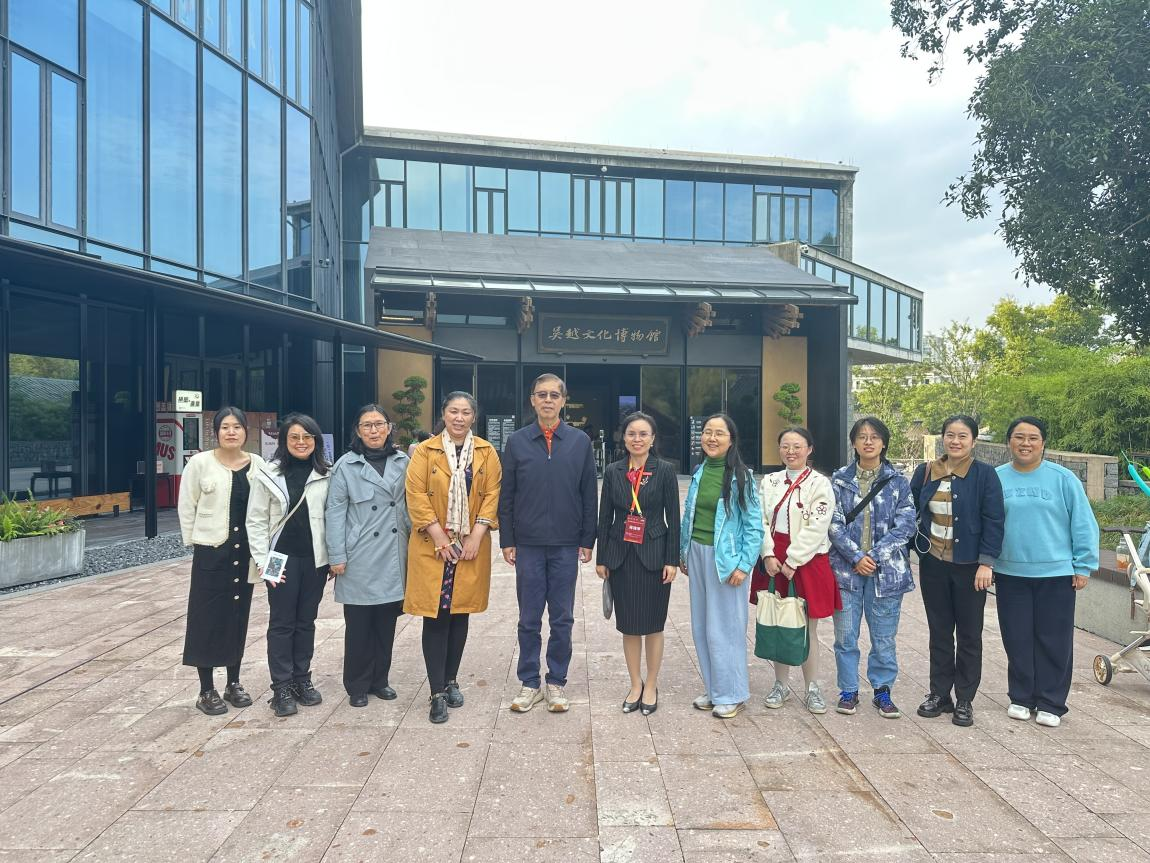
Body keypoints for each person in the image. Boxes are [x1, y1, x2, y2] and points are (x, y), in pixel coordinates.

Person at [498, 373, 597, 714]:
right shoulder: (518, 441)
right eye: (542, 394)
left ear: (564, 401)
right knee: (528, 618)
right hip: (528, 544)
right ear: (532, 400)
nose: (548, 400)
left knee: (562, 618)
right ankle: (529, 682)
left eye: (555, 395)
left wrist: (587, 539)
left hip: (565, 545)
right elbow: (507, 495)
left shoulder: (580, 442)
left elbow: (589, 494)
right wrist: (507, 539)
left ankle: (556, 681)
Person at [405, 392, 502, 724]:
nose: (459, 418)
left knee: (460, 613)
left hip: (470, 544)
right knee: (435, 615)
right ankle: (436, 692)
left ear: (474, 416)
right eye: (453, 411)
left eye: (465, 412)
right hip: (433, 545)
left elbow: (493, 494)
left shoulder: (486, 452)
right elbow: (416, 493)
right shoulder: (425, 451)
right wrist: (439, 536)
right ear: (443, 414)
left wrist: (477, 534)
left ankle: (451, 680)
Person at [995, 416, 1097, 728]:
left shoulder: (1063, 479)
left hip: (1056, 573)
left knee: (1054, 639)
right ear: (1009, 442)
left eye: (1033, 438)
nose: (1025, 443)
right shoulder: (996, 478)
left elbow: (1083, 523)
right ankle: (1021, 697)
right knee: (1017, 637)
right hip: (1010, 572)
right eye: (1019, 437)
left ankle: (1051, 701)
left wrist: (1083, 565)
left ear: (1043, 443)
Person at [910, 414, 1005, 727]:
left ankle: (965, 698)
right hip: (933, 564)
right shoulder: (926, 472)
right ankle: (939, 694)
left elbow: (994, 520)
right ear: (943, 438)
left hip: (970, 567)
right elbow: (910, 512)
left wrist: (986, 562)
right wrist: (914, 548)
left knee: (969, 634)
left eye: (963, 436)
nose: (955, 441)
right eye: (950, 435)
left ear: (973, 441)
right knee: (939, 632)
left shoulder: (985, 475)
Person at [828, 417, 917, 718]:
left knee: (883, 638)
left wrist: (875, 557)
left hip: (887, 574)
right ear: (853, 443)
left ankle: (882, 690)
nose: (868, 441)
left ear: (884, 443)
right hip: (845, 572)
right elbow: (833, 524)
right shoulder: (839, 480)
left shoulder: (898, 482)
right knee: (845, 636)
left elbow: (906, 525)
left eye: (875, 436)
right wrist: (856, 557)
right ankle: (848, 690)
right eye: (862, 436)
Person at [178, 407, 264, 715]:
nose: (231, 432)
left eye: (237, 427)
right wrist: (195, 541)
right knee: (206, 619)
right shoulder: (200, 463)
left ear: (245, 432)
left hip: (245, 553)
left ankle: (233, 682)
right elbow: (187, 504)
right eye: (225, 427)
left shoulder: (258, 464)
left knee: (237, 617)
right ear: (216, 432)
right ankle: (206, 689)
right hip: (212, 551)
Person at [595, 411, 680, 716]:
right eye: (632, 433)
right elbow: (604, 517)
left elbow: (674, 518)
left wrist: (672, 559)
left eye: (643, 434)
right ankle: (635, 684)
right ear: (624, 437)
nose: (637, 439)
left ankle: (652, 684)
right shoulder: (614, 470)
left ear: (652, 439)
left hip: (655, 555)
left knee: (654, 625)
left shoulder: (665, 471)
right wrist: (602, 557)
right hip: (621, 555)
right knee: (629, 625)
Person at [680, 413, 764, 719]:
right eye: (707, 432)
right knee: (702, 626)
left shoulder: (742, 477)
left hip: (727, 560)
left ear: (731, 440)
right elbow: (690, 515)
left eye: (719, 433)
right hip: (697, 554)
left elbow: (754, 526)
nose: (711, 438)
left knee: (726, 628)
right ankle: (715, 689)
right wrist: (683, 551)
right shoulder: (700, 471)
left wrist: (744, 565)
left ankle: (733, 693)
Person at [326, 405, 410, 708]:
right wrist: (336, 555)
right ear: (358, 431)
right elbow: (335, 513)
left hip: (393, 552)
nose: (374, 430)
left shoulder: (403, 461)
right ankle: (357, 684)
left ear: (389, 427)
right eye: (367, 425)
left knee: (386, 624)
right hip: (359, 555)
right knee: (359, 626)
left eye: (379, 424)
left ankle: (380, 680)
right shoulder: (345, 466)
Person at [248, 413, 331, 717]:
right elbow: (256, 520)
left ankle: (302, 679)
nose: (301, 442)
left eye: (307, 437)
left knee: (306, 621)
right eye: (294, 437)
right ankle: (281, 686)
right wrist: (262, 561)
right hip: (277, 559)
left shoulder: (326, 473)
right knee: (282, 622)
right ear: (284, 441)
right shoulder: (268, 474)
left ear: (316, 441)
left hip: (315, 559)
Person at [758, 426, 840, 714]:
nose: (790, 451)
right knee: (779, 622)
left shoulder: (820, 483)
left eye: (797, 446)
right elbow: (760, 520)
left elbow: (818, 526)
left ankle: (812, 687)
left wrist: (793, 560)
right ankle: (780, 684)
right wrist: (768, 554)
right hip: (774, 558)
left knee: (807, 627)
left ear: (809, 449)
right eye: (785, 446)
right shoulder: (769, 481)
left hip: (807, 559)